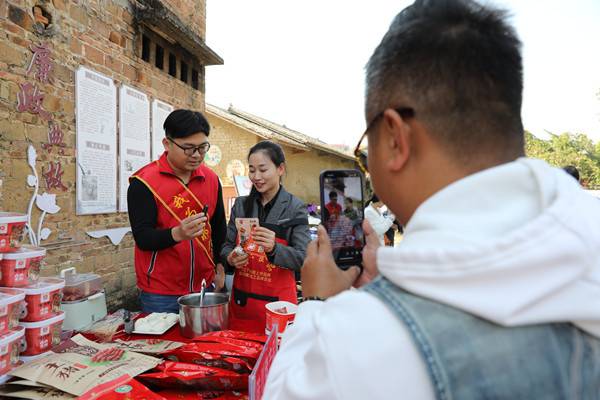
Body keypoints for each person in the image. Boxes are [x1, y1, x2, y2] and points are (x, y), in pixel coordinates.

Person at [264, 1, 600, 399]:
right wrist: (391, 282)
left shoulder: (357, 342)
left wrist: (318, 304)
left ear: (393, 137)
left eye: (365, 149)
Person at [128, 109, 226, 313]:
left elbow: (218, 229)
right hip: (161, 293)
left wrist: (220, 265)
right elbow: (143, 238)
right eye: (188, 148)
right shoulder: (144, 183)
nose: (197, 155)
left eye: (202, 147)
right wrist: (177, 234)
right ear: (167, 143)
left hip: (204, 286)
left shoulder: (212, 180)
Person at [221, 140, 310, 333]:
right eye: (252, 170)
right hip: (242, 304)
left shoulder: (295, 208)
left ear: (280, 169)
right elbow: (226, 246)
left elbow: (305, 258)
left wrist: (275, 249)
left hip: (279, 308)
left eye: (263, 169)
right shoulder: (241, 206)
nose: (256, 176)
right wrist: (230, 257)